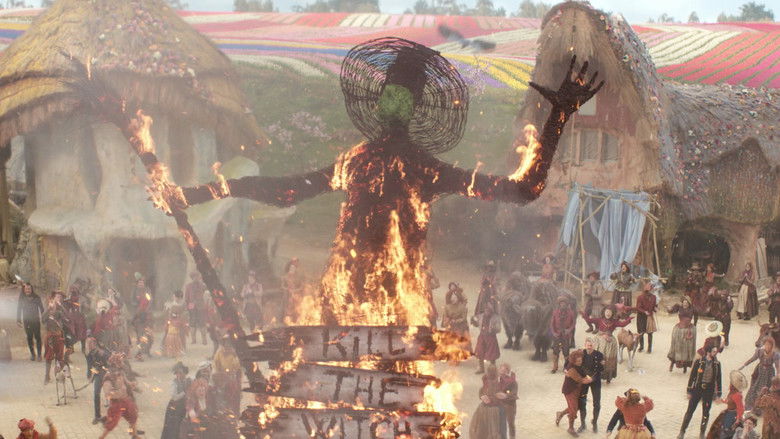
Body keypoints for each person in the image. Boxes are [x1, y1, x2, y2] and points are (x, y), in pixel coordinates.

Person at [678, 345, 722, 439]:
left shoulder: (717, 364)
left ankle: (702, 432)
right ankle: (682, 431)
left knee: (706, 413)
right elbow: (692, 376)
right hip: (697, 390)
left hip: (708, 391)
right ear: (708, 352)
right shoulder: (699, 362)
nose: (715, 353)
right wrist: (689, 390)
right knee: (690, 411)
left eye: (716, 351)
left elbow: (719, 379)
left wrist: (718, 394)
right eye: (714, 351)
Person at [580, 306, 632, 383]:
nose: (608, 313)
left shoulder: (614, 321)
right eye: (607, 311)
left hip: (610, 343)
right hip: (599, 341)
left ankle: (608, 377)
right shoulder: (599, 320)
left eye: (610, 312)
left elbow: (622, 324)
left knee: (609, 360)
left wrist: (629, 319)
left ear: (612, 313)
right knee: (598, 358)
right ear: (604, 312)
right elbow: (589, 320)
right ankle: (596, 376)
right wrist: (584, 315)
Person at [100, 353, 143, 439]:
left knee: (133, 416)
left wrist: (131, 384)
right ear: (114, 364)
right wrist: (119, 393)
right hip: (117, 403)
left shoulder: (120, 373)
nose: (122, 364)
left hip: (126, 400)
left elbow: (126, 382)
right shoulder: (108, 377)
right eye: (120, 362)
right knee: (112, 422)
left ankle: (134, 435)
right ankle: (101, 437)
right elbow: (107, 393)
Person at [555, 350, 592, 437]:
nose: (580, 362)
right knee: (574, 409)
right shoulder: (571, 369)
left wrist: (587, 376)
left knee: (575, 407)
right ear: (573, 361)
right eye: (578, 361)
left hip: (577, 390)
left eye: (581, 360)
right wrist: (592, 379)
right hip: (569, 391)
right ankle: (570, 428)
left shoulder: (579, 366)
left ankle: (560, 413)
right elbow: (582, 380)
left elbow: (583, 374)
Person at [740, 336, 780, 411]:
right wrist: (744, 365)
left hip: (769, 373)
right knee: (754, 387)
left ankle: (762, 408)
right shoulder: (759, 351)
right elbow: (753, 359)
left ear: (772, 345)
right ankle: (750, 406)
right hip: (759, 371)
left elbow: (777, 366)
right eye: (766, 344)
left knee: (766, 389)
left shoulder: (775, 354)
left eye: (769, 345)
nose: (767, 346)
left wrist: (778, 375)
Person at [468, 364, 505, 439]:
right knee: (482, 427)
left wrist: (503, 395)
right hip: (485, 407)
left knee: (497, 428)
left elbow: (505, 393)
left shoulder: (500, 381)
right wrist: (482, 396)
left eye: (492, 372)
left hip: (496, 408)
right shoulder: (485, 379)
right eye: (490, 372)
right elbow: (482, 390)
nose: (491, 374)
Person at [707, 370, 747, 439]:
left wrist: (738, 419)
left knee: (727, 429)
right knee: (719, 427)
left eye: (731, 383)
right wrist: (722, 401)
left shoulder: (737, 395)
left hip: (733, 415)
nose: (730, 384)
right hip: (728, 412)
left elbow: (741, 408)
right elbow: (729, 401)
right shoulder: (732, 392)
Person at [578, 337, 605, 433]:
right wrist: (584, 378)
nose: (589, 347)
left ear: (594, 346)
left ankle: (594, 422)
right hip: (584, 381)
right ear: (585, 345)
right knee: (582, 402)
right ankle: (582, 424)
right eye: (588, 345)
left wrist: (592, 378)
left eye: (591, 345)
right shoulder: (581, 353)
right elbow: (577, 366)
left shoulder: (599, 355)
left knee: (597, 404)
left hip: (595, 381)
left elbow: (601, 370)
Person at [161, 361, 191, 439]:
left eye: (181, 373)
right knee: (174, 427)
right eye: (177, 373)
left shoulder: (189, 380)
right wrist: (185, 392)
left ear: (185, 372)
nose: (180, 375)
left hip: (184, 406)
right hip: (175, 408)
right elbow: (174, 397)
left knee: (183, 425)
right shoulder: (174, 383)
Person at [42, 296, 68, 385]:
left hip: (58, 336)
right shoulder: (46, 313)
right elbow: (42, 320)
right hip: (49, 337)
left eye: (54, 302)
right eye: (51, 302)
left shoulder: (59, 313)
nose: (52, 304)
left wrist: (61, 306)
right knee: (48, 357)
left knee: (59, 357)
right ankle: (47, 377)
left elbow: (66, 316)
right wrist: (48, 309)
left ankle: (59, 377)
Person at [213, 337, 242, 416]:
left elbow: (238, 366)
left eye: (229, 345)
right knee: (223, 394)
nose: (227, 347)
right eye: (226, 344)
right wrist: (219, 373)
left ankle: (236, 413)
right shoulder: (219, 352)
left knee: (235, 395)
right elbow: (216, 363)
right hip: (222, 377)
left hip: (233, 376)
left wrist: (235, 356)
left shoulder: (235, 353)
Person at [667, 297, 697, 373]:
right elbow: (671, 311)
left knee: (687, 347)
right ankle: (672, 363)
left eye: (686, 302)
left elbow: (696, 316)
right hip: (679, 330)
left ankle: (685, 367)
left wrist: (694, 325)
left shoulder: (692, 309)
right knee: (677, 346)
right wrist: (669, 309)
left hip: (689, 330)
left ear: (689, 303)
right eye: (684, 302)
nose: (685, 304)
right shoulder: (679, 307)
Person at [85, 337, 110, 424]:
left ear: (94, 343)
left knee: (111, 392)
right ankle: (97, 416)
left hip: (107, 372)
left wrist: (104, 354)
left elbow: (109, 360)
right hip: (98, 373)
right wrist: (90, 376)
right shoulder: (88, 354)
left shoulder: (102, 350)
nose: (88, 345)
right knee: (96, 393)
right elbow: (90, 366)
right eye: (87, 344)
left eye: (90, 343)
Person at [441, 282, 471, 352]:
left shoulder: (462, 305)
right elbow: (446, 316)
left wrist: (457, 320)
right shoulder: (447, 305)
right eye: (451, 286)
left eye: (453, 286)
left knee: (464, 336)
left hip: (460, 325)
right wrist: (448, 321)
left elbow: (463, 318)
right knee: (448, 337)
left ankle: (464, 350)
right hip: (451, 323)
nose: (453, 299)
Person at [16, 283, 43, 361]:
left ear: (32, 289)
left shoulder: (37, 297)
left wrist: (44, 318)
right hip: (27, 321)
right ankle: (33, 354)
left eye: (29, 289)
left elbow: (42, 309)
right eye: (26, 289)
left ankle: (39, 355)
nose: (28, 290)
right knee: (29, 337)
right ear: (24, 290)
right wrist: (18, 320)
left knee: (38, 337)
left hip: (36, 321)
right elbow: (19, 309)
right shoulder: (22, 298)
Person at [474, 300, 501, 374]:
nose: (487, 310)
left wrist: (493, 328)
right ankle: (481, 368)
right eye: (486, 308)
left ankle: (492, 370)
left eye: (489, 309)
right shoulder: (481, 316)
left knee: (492, 354)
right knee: (480, 351)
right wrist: (474, 322)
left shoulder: (495, 318)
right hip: (482, 336)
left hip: (491, 337)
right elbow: (477, 323)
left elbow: (499, 329)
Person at [550, 296, 576, 373]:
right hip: (557, 335)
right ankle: (555, 367)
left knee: (566, 351)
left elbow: (573, 323)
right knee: (555, 351)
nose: (563, 305)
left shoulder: (571, 313)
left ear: (567, 304)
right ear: (559, 304)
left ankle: (566, 367)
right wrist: (554, 333)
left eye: (564, 303)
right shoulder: (555, 312)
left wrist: (569, 330)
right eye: (561, 303)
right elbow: (552, 324)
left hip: (566, 335)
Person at [184, 271, 208, 345]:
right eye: (194, 276)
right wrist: (187, 306)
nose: (196, 278)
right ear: (192, 278)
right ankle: (193, 340)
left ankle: (204, 339)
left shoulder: (202, 285)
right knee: (192, 323)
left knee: (202, 322)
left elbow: (206, 293)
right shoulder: (188, 286)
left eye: (197, 276)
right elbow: (186, 297)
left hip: (201, 306)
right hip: (191, 306)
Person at [162, 290, 187, 358]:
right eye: (174, 296)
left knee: (181, 335)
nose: (174, 298)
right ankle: (167, 349)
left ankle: (181, 349)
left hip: (179, 321)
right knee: (168, 335)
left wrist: (179, 317)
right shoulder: (170, 304)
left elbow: (185, 313)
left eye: (175, 296)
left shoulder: (183, 304)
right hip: (172, 321)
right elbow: (166, 313)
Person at [63, 285, 88, 353]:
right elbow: (66, 307)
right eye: (71, 290)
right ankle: (71, 347)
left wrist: (83, 310)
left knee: (82, 332)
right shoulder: (68, 298)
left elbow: (84, 307)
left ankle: (83, 347)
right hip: (72, 317)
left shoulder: (81, 298)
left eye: (74, 290)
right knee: (71, 331)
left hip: (80, 318)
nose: (72, 291)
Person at [635, 281, 657, 353]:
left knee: (650, 333)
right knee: (641, 332)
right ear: (646, 290)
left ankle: (649, 348)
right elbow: (638, 307)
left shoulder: (654, 297)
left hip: (649, 317)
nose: (652, 290)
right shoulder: (640, 297)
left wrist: (655, 309)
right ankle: (641, 347)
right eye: (651, 289)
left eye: (652, 288)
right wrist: (644, 311)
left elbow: (654, 306)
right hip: (641, 317)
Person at [497, 363, 518, 439]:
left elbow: (514, 392)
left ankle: (512, 437)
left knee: (510, 423)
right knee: (500, 423)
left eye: (504, 371)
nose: (501, 372)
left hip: (509, 405)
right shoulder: (497, 379)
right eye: (501, 370)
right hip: (499, 404)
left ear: (507, 371)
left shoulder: (512, 381)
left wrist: (506, 395)